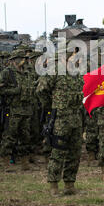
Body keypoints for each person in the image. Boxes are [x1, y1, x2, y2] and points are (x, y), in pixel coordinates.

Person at [36, 48, 84, 196]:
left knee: (75, 152)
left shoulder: (76, 72)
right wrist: (51, 106)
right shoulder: (55, 70)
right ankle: (53, 186)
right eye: (75, 54)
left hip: (76, 117)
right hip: (60, 119)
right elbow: (41, 90)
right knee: (58, 152)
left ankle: (70, 185)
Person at [0, 49, 33, 171]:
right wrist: (13, 91)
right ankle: (6, 161)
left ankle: (24, 162)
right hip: (13, 109)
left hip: (26, 109)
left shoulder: (26, 73)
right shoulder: (7, 73)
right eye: (22, 58)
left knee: (25, 136)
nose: (24, 61)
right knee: (10, 136)